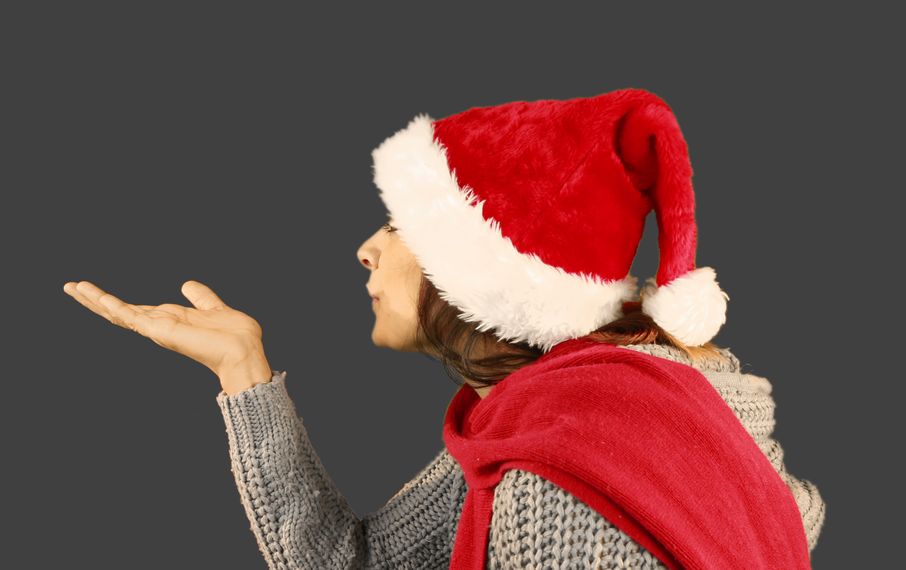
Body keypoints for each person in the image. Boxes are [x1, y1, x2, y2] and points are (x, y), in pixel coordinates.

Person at [63, 87, 825, 568]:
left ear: (481, 264)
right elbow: (356, 564)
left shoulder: (567, 474)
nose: (367, 247)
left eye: (398, 223)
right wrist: (243, 371)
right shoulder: (563, 426)